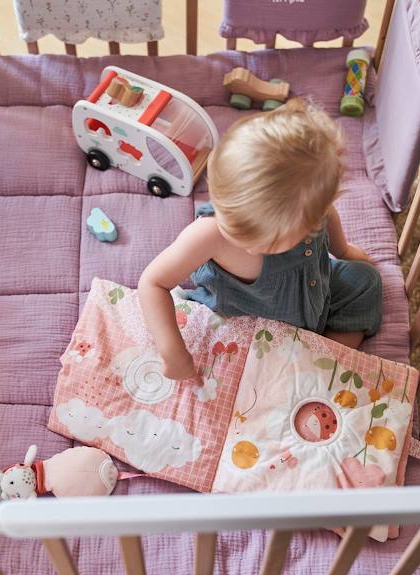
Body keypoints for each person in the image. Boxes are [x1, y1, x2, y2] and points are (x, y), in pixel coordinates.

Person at [138, 97, 382, 383]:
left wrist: (346, 251)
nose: (246, 245)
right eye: (232, 226)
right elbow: (152, 283)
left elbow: (330, 220)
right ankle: (308, 361)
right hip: (240, 321)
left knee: (366, 281)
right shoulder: (209, 233)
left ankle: (325, 358)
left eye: (264, 241)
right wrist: (172, 351)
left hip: (315, 298)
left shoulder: (313, 210)